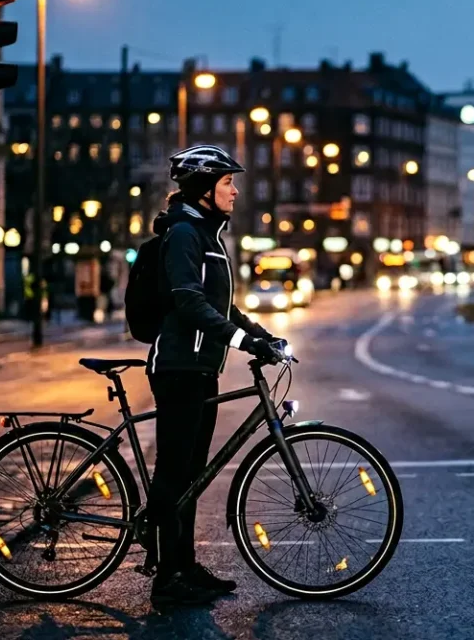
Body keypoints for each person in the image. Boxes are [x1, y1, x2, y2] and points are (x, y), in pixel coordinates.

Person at [147, 145, 280, 609]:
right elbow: (190, 303)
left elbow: (222, 305)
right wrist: (244, 344)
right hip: (179, 368)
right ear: (204, 190)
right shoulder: (185, 234)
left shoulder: (207, 234)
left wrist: (261, 334)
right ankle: (166, 577)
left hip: (201, 368)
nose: (235, 191)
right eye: (227, 183)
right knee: (175, 470)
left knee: (192, 476)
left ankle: (184, 565)